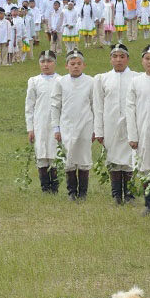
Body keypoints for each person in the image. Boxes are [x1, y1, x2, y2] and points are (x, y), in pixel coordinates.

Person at [92, 43, 139, 205]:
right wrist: (99, 130)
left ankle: (130, 193)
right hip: (110, 123)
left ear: (127, 59)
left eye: (122, 57)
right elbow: (98, 106)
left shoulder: (136, 77)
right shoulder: (102, 79)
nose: (118, 60)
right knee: (113, 159)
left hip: (130, 124)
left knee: (129, 159)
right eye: (115, 57)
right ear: (110, 59)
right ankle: (117, 194)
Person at [126, 44, 150, 215]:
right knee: (146, 167)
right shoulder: (135, 82)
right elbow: (130, 109)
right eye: (147, 58)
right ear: (142, 61)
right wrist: (133, 135)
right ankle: (149, 203)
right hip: (143, 131)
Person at [50, 49, 94, 200]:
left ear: (84, 65)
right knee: (68, 157)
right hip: (67, 125)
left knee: (83, 157)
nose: (76, 66)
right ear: (66, 65)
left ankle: (83, 193)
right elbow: (55, 105)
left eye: (79, 64)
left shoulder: (91, 81)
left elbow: (95, 105)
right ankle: (71, 192)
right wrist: (56, 127)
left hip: (85, 124)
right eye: (72, 63)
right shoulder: (61, 82)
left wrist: (95, 128)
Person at [25, 50, 60, 194]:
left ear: (55, 63)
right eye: (43, 62)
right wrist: (30, 128)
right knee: (41, 154)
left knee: (54, 154)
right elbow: (29, 105)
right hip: (39, 123)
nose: (46, 65)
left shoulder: (61, 80)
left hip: (56, 124)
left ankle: (55, 187)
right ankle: (45, 188)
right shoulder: (34, 81)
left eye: (49, 61)